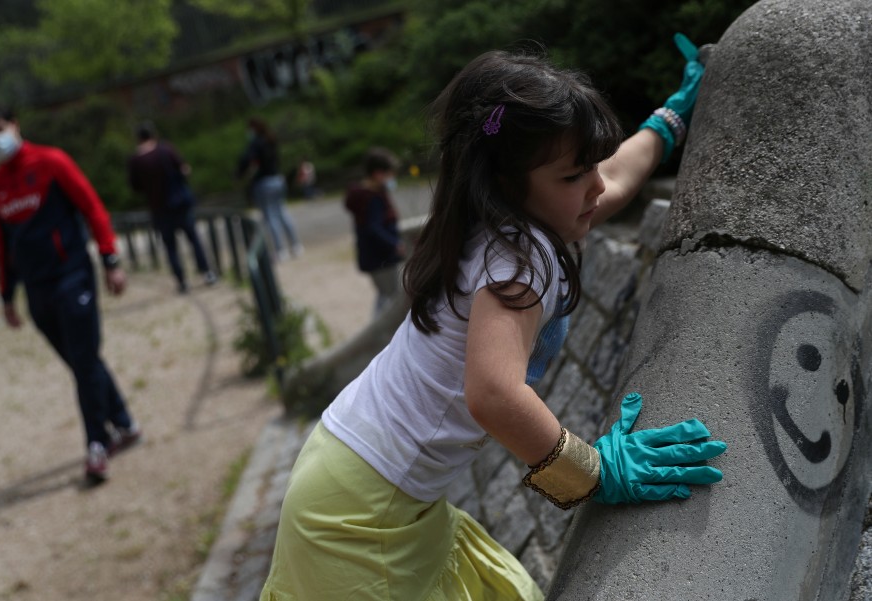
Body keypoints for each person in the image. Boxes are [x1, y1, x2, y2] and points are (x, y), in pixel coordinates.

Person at [260, 35, 726, 601]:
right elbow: (494, 395)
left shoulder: (497, 218)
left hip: (357, 476)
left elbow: (618, 178)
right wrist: (597, 473)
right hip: (363, 516)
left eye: (590, 167)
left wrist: (673, 115)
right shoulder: (521, 259)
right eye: (575, 175)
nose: (596, 186)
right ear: (509, 181)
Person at [0, 104, 142, 485]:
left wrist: (110, 258)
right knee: (82, 363)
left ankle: (97, 445)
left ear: (14, 125)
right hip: (37, 290)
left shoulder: (52, 162)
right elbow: (4, 244)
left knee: (84, 362)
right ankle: (127, 424)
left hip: (73, 278)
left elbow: (92, 208)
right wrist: (5, 295)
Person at [128, 122, 217, 293]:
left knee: (170, 247)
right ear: (153, 134)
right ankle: (207, 273)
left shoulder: (135, 160)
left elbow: (135, 187)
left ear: (139, 139)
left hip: (158, 208)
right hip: (179, 203)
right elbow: (184, 168)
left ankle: (182, 281)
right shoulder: (165, 150)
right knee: (193, 239)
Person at [344, 147, 405, 316]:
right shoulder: (372, 198)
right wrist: (395, 244)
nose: (392, 178)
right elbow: (374, 228)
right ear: (379, 174)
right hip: (381, 258)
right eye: (390, 174)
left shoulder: (368, 195)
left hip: (375, 257)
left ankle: (379, 332)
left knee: (385, 295)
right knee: (391, 298)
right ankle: (380, 334)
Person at [237, 117, 303, 261]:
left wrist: (243, 175)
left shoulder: (256, 144)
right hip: (278, 180)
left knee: (270, 216)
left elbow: (251, 163)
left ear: (253, 129)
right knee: (282, 211)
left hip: (264, 183)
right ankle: (296, 245)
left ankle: (280, 250)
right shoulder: (270, 140)